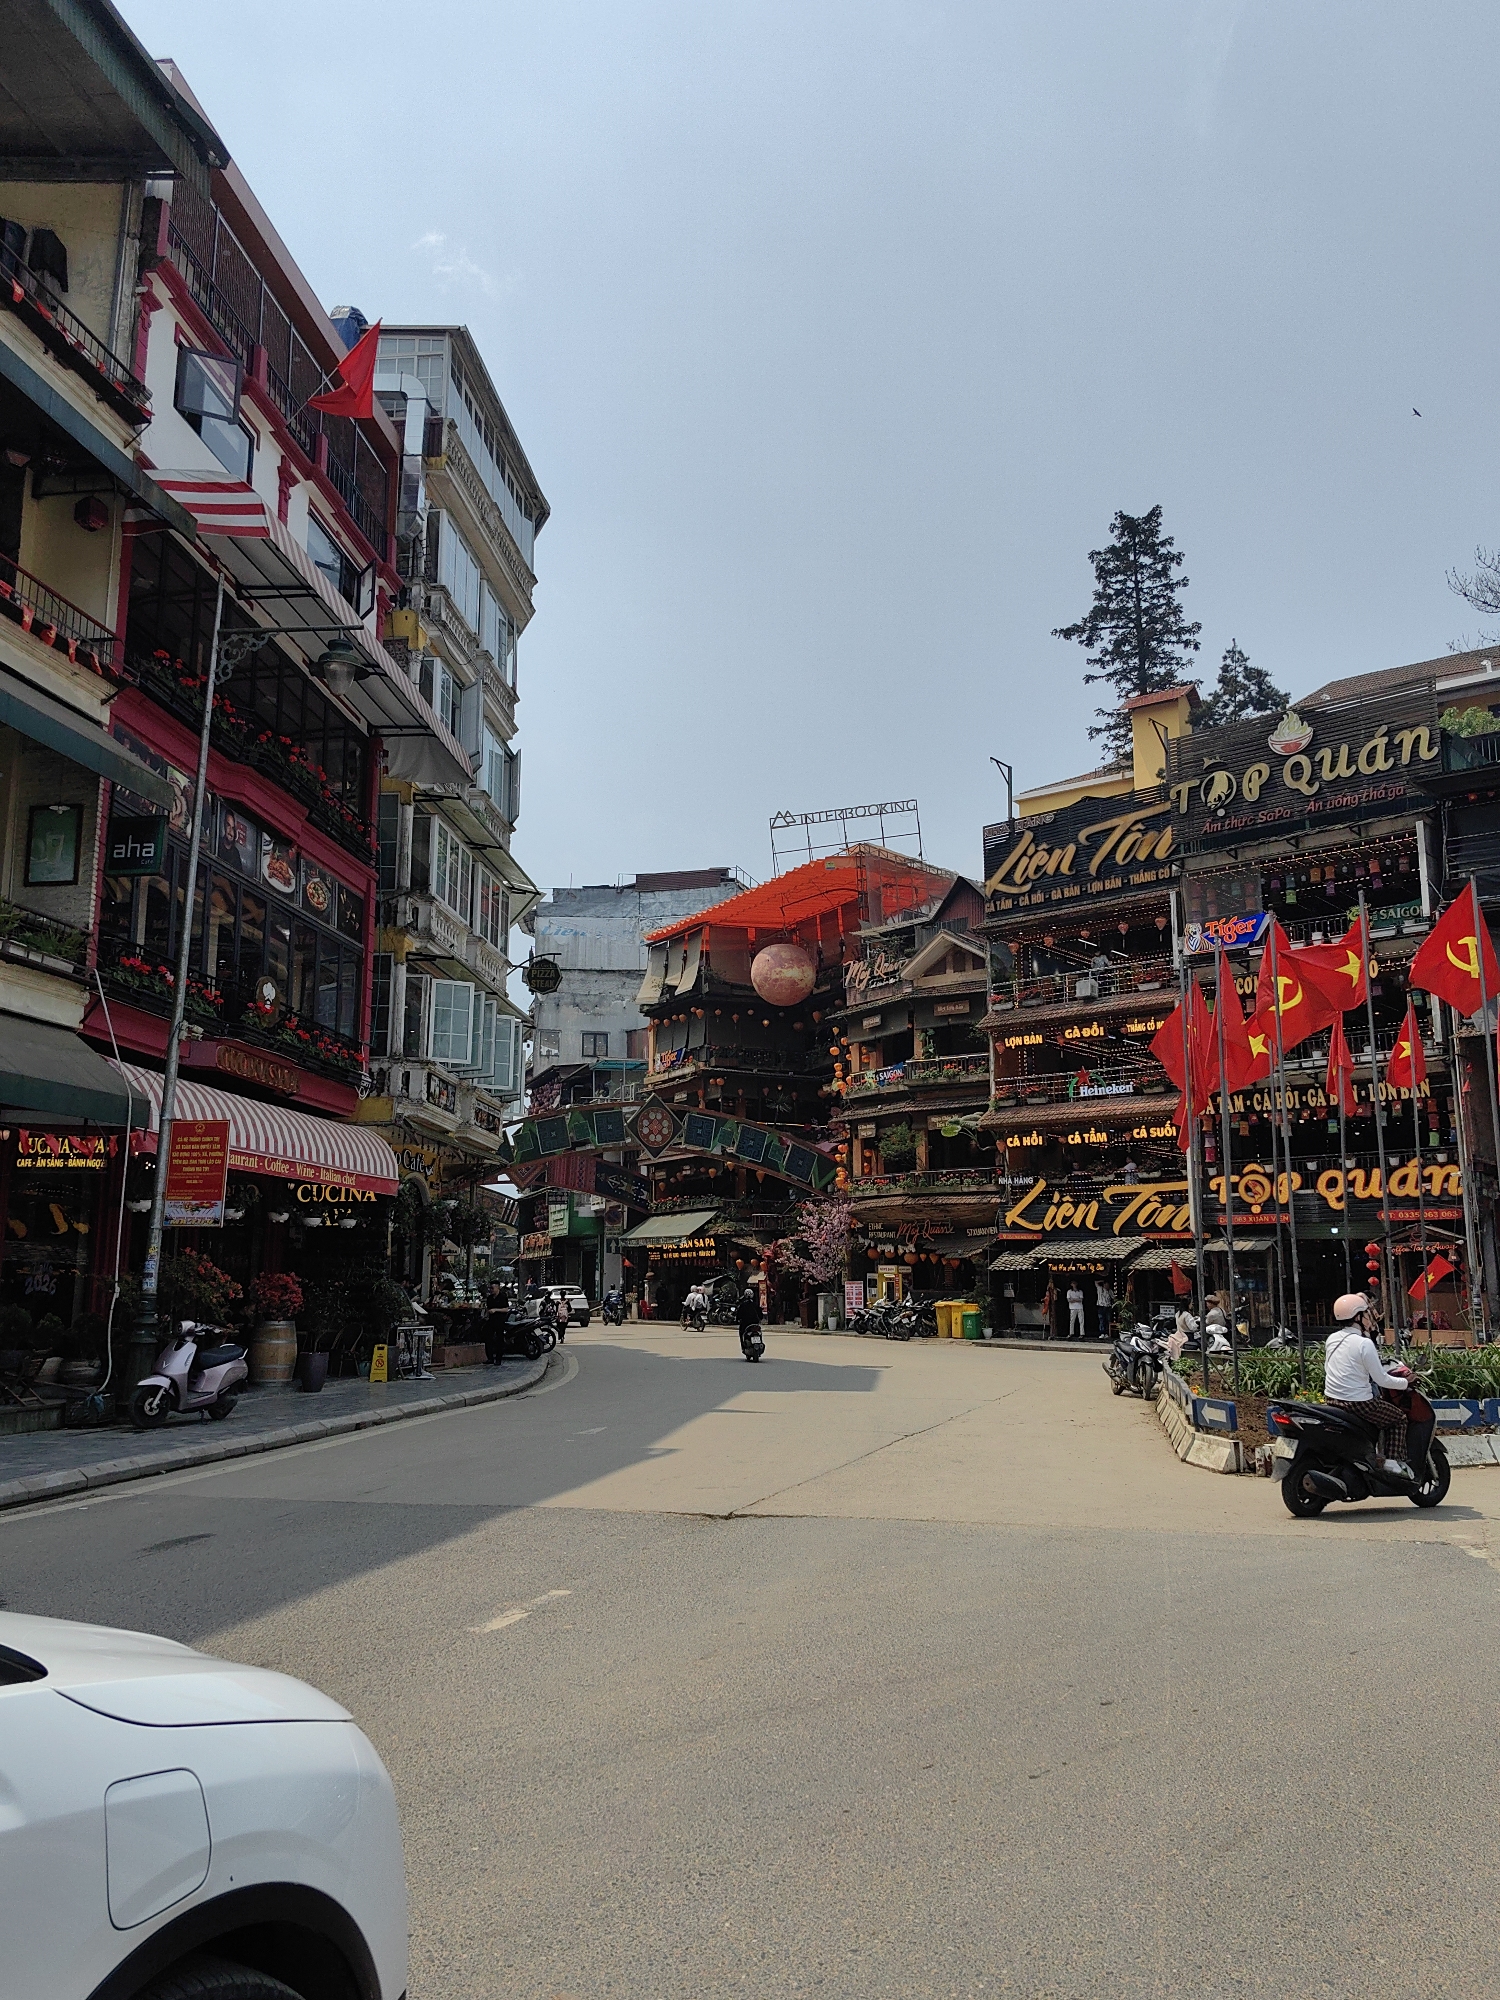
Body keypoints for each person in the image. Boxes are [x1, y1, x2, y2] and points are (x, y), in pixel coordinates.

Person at [1323, 1292, 1413, 1479]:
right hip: (1358, 1403)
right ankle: (1391, 1463)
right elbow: (1381, 1379)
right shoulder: (1364, 1344)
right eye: (1365, 1313)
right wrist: (1405, 1382)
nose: (1369, 1317)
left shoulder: (1332, 1339)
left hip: (1332, 1400)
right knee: (1398, 1419)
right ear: (1357, 1317)